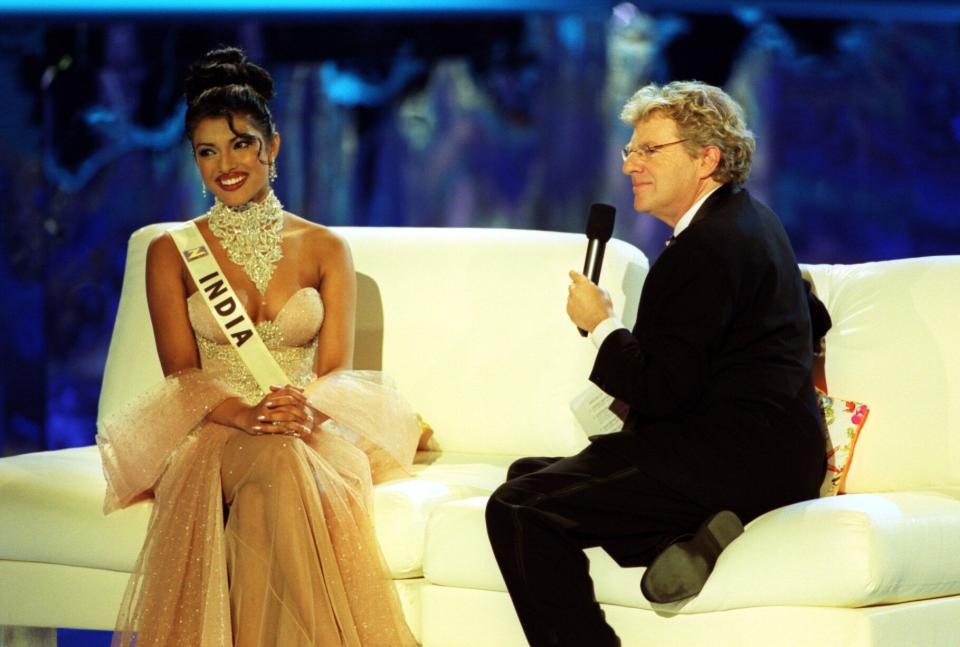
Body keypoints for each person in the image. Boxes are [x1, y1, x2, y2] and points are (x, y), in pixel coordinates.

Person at [96, 47, 419, 647]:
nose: (226, 164)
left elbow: (335, 373)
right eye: (207, 151)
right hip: (213, 426)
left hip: (302, 424)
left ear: (272, 147)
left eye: (240, 143)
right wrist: (246, 415)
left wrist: (301, 412)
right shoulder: (173, 251)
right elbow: (182, 376)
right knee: (274, 462)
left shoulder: (326, 248)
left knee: (283, 462)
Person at [485, 81, 826, 647]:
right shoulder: (753, 220)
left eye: (649, 150)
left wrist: (602, 326)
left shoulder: (704, 248)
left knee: (521, 506)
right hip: (775, 455)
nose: (630, 165)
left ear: (706, 158)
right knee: (527, 472)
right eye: (630, 150)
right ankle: (693, 533)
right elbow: (815, 320)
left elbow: (661, 391)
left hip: (726, 461)